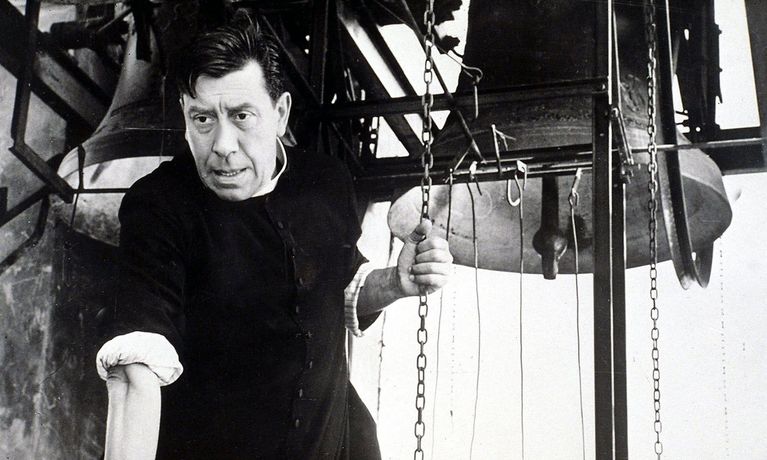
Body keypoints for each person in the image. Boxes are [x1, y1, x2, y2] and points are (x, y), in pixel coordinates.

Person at [95, 11, 452, 460]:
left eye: (241, 116)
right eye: (202, 119)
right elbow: (136, 366)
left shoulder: (325, 181)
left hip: (339, 446)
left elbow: (338, 287)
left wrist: (394, 284)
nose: (222, 145)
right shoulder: (159, 205)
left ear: (280, 113)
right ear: (184, 118)